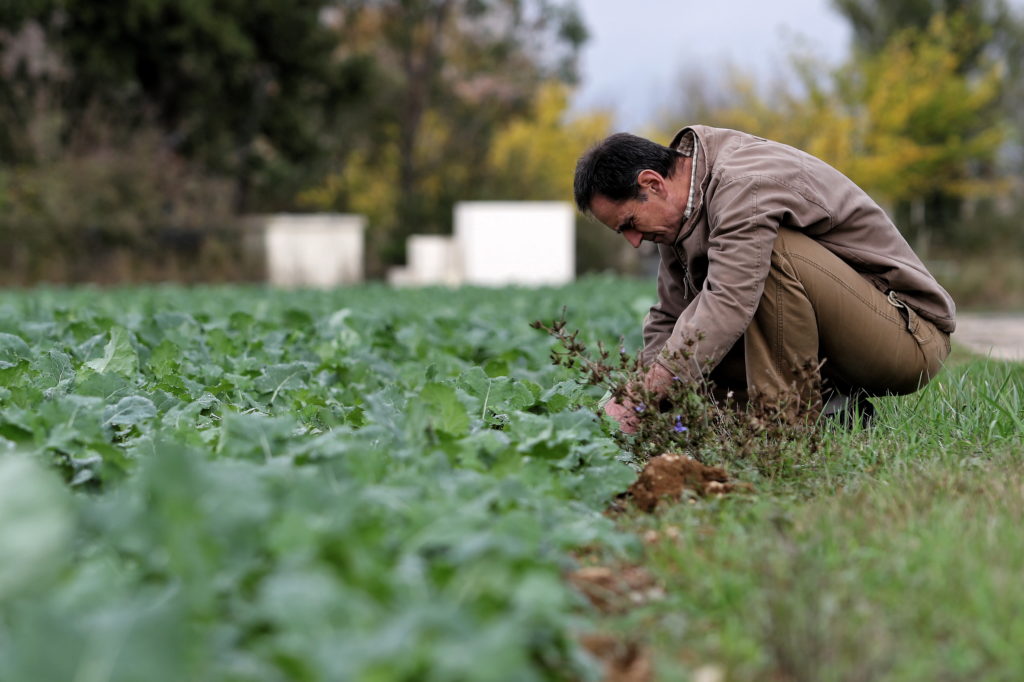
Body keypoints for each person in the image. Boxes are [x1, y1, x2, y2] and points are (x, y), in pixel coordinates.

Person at [573, 126, 955, 430]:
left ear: (653, 183)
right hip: (839, 346)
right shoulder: (679, 214)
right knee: (690, 376)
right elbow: (669, 316)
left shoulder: (742, 185)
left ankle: (785, 427)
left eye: (629, 225)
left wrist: (643, 396)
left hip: (908, 337)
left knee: (765, 258)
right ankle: (836, 411)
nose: (634, 241)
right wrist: (634, 400)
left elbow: (729, 302)